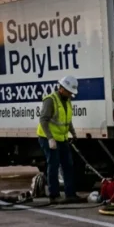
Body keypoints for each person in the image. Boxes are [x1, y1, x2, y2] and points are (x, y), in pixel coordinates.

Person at [37, 75, 81, 203]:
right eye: (69, 91)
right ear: (62, 88)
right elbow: (43, 120)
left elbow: (67, 120)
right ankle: (53, 195)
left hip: (62, 138)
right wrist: (50, 139)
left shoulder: (67, 100)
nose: (70, 94)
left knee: (68, 165)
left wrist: (73, 133)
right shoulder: (50, 100)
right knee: (54, 165)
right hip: (47, 138)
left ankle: (70, 194)